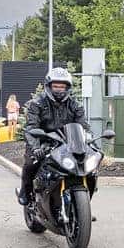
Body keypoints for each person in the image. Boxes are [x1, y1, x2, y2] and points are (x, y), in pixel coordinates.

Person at [17, 68, 88, 206]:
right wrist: (36, 148)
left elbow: (83, 126)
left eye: (62, 86)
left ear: (68, 87)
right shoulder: (37, 104)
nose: (59, 89)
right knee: (31, 164)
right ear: (49, 86)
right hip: (42, 141)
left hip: (67, 142)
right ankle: (25, 191)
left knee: (86, 169)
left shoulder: (75, 105)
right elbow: (31, 127)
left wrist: (90, 143)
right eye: (56, 86)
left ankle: (81, 207)